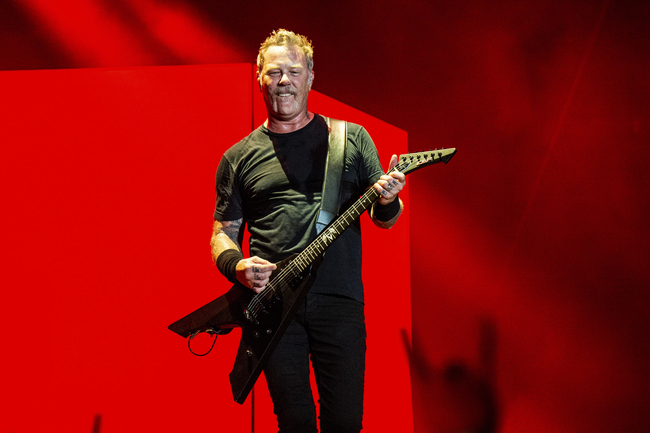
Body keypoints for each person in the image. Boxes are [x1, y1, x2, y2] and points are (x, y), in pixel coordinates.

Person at [210, 29, 405, 433]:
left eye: (293, 71)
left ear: (311, 76)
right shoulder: (238, 157)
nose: (284, 81)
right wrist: (238, 265)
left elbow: (384, 219)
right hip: (273, 307)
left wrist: (387, 199)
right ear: (259, 78)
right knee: (294, 422)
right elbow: (221, 233)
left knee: (345, 422)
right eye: (275, 72)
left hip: (339, 301)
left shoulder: (351, 139)